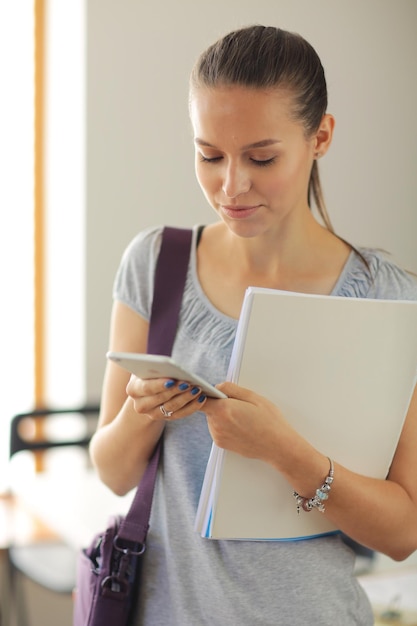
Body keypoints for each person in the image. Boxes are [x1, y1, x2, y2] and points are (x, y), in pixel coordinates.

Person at [90, 25, 417, 625]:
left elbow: (404, 531)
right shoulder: (156, 265)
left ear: (320, 137)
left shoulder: (387, 298)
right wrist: (143, 409)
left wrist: (283, 451)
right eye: (209, 154)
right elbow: (111, 473)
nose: (230, 185)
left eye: (261, 158)